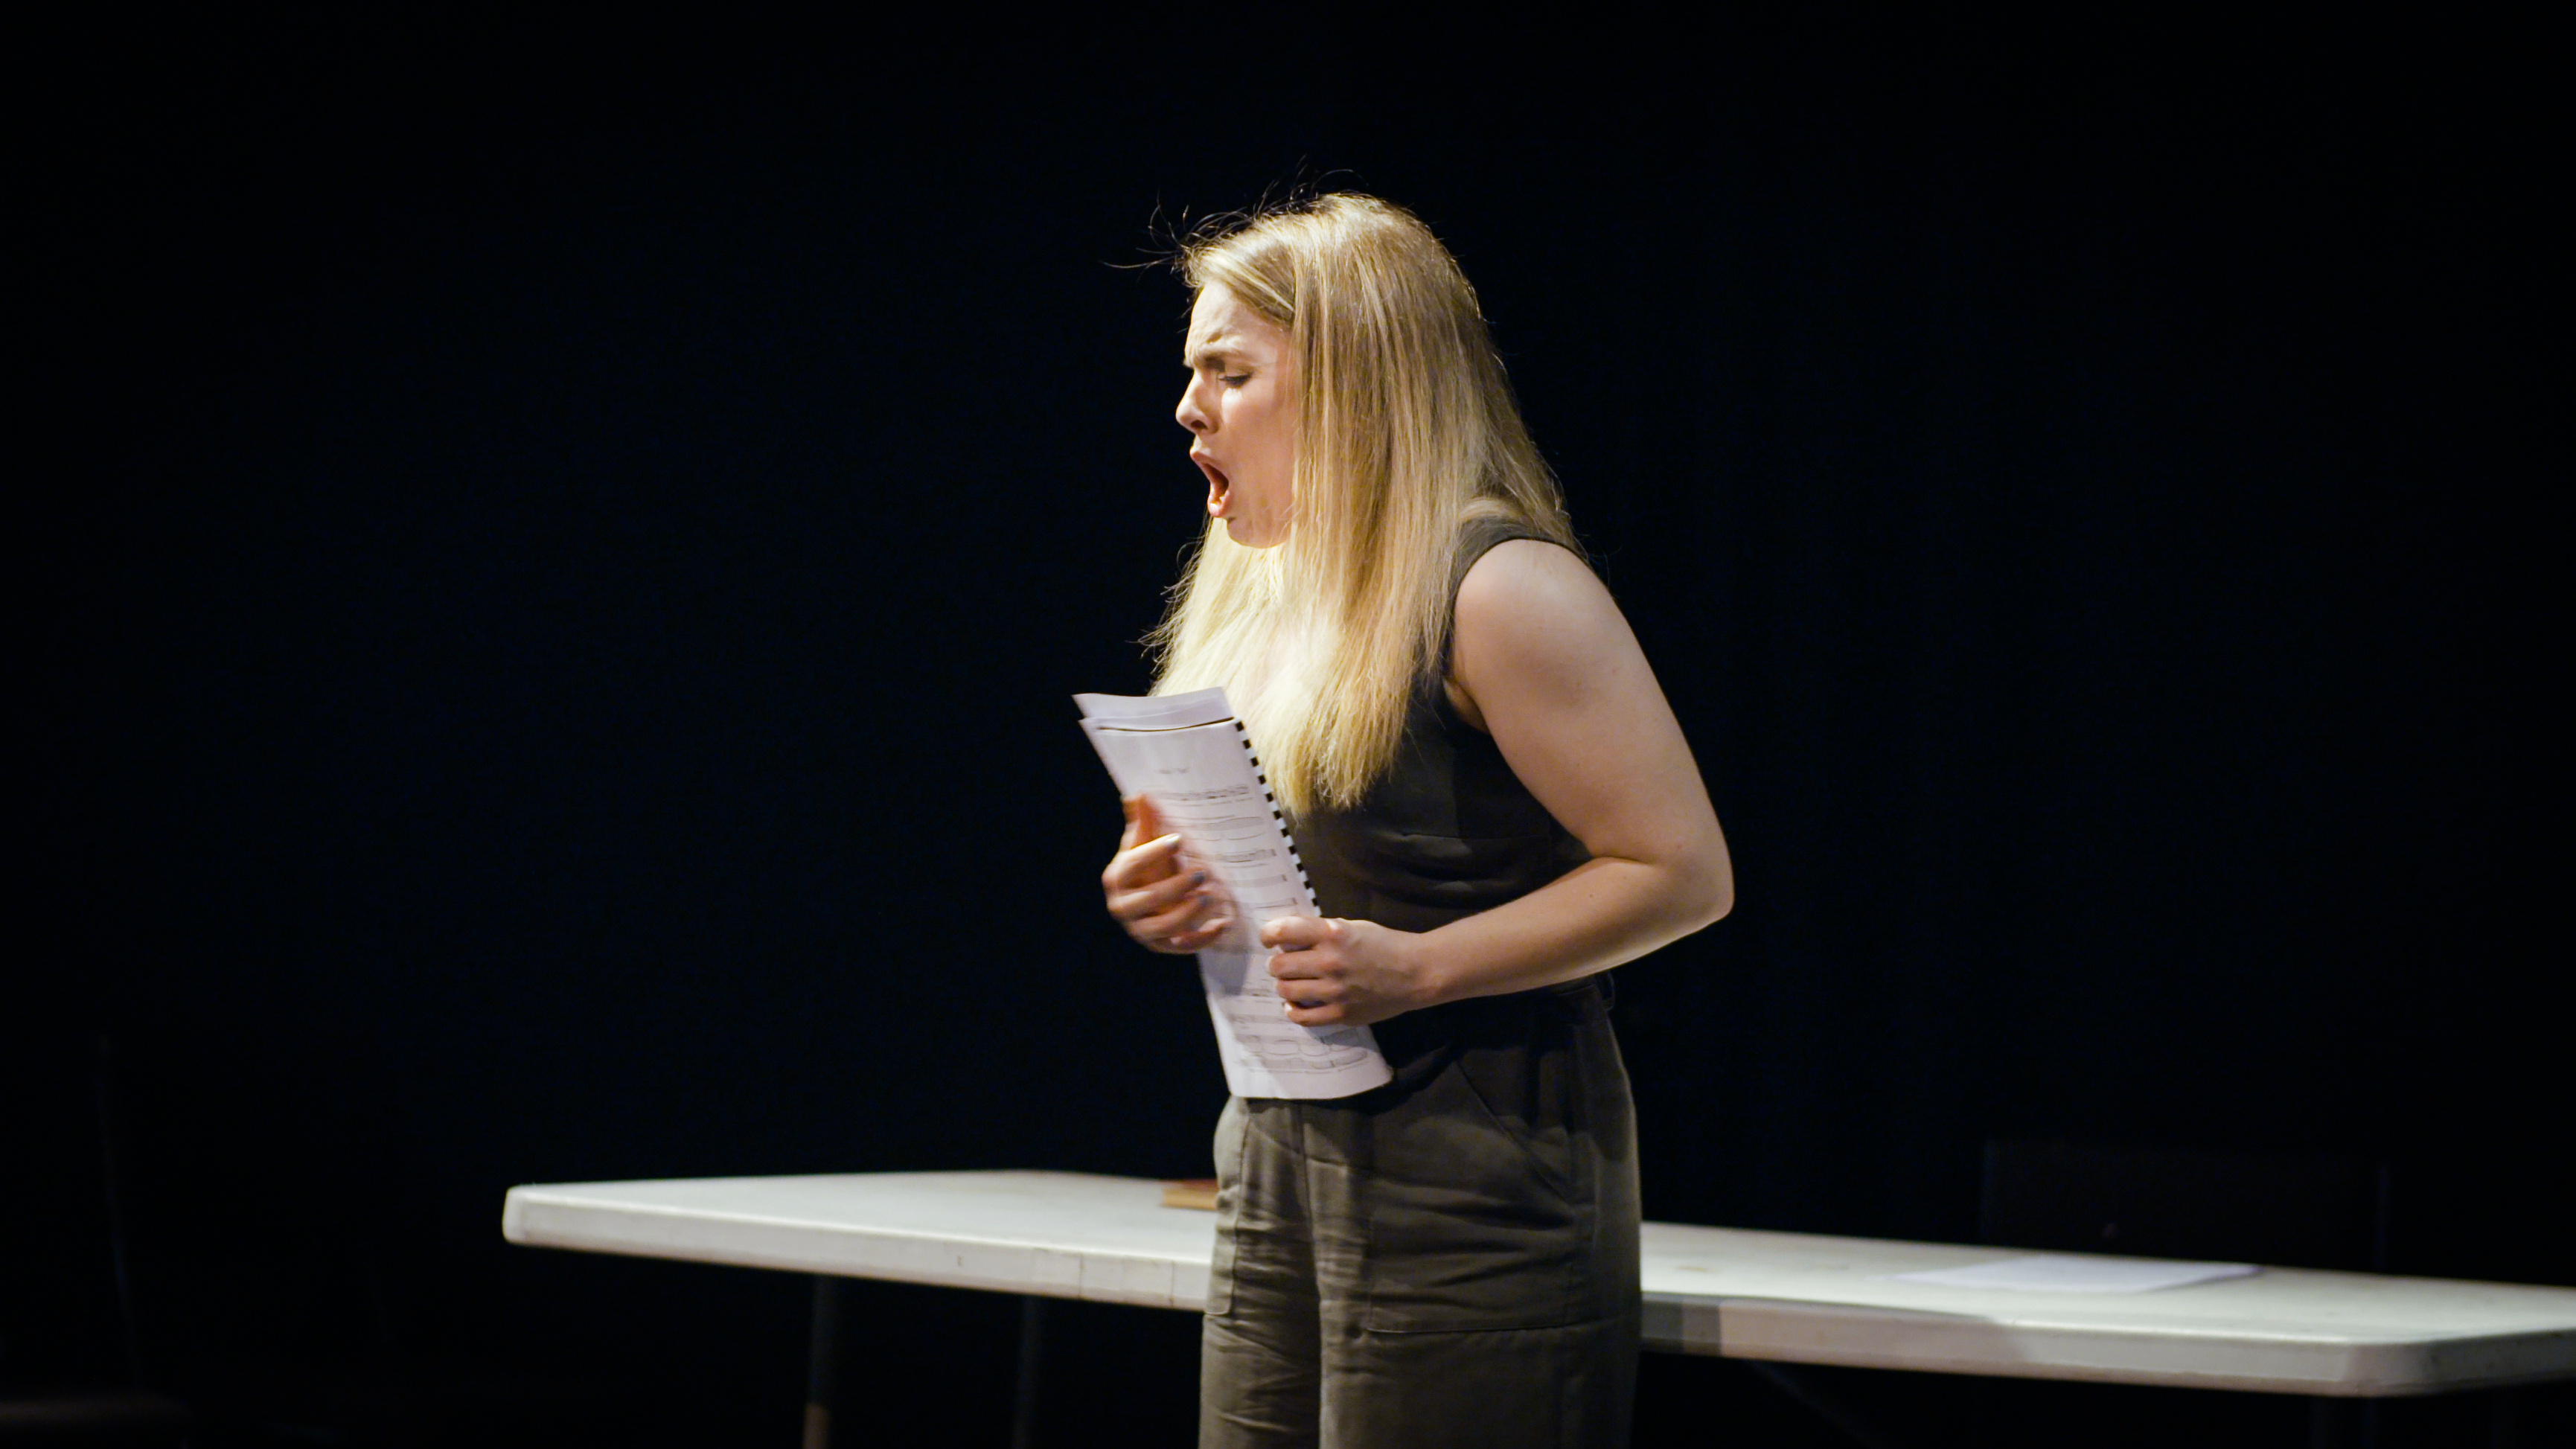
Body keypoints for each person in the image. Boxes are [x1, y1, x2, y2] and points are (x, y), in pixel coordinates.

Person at [1099, 193, 1732, 1449]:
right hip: (1279, 1157)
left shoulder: (1498, 588)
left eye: (1230, 373)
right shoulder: (1271, 603)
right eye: (1191, 374)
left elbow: (1678, 872)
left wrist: (1422, 965)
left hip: (1477, 1181)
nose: (1189, 409)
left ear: (1353, 384)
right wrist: (1154, 891)